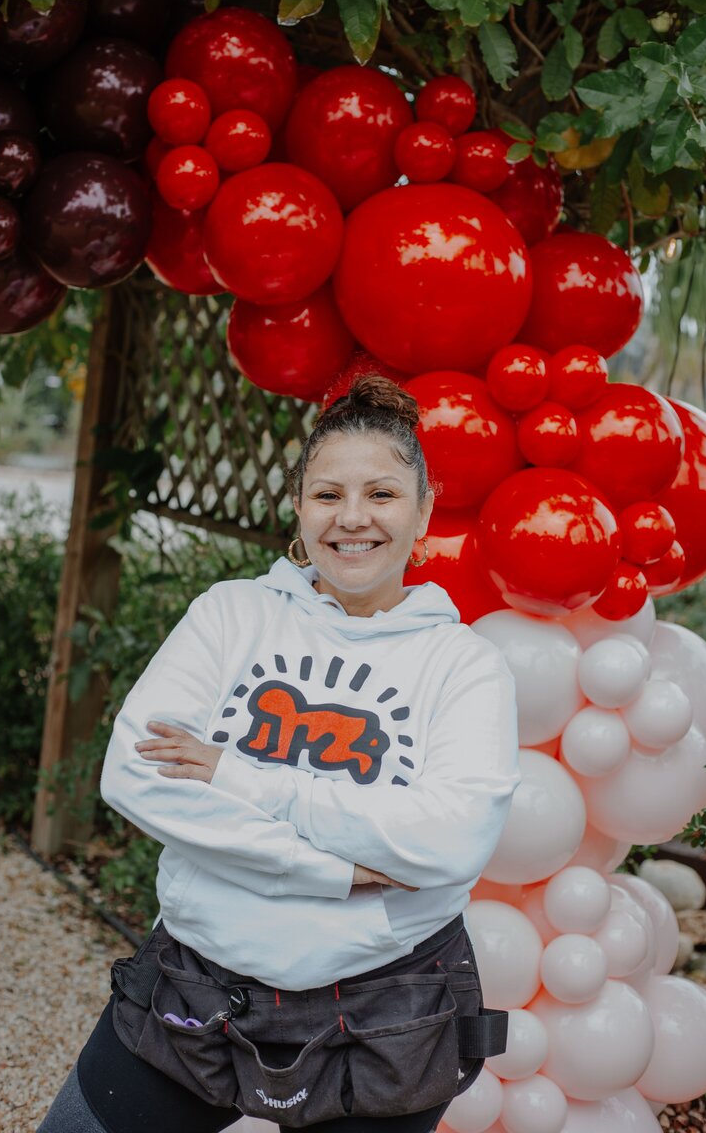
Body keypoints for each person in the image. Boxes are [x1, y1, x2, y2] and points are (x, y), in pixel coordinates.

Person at [37, 373, 520, 1133]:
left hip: (383, 1015)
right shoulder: (231, 615)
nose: (352, 518)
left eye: (382, 495)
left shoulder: (464, 664)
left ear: (424, 510)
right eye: (327, 495)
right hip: (191, 988)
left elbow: (447, 839)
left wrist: (238, 777)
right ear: (298, 507)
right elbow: (134, 773)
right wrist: (335, 870)